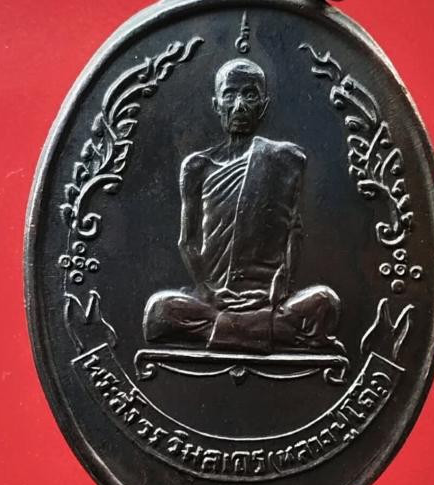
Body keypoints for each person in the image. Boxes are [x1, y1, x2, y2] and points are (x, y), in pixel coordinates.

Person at [143, 58, 344, 355]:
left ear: (263, 106)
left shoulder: (286, 159)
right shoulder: (197, 166)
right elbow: (187, 241)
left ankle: (225, 330)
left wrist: (282, 286)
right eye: (230, 95)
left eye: (250, 95)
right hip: (214, 299)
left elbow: (294, 230)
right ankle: (272, 332)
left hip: (268, 298)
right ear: (216, 105)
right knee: (158, 311)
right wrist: (208, 292)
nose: (239, 106)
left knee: (325, 302)